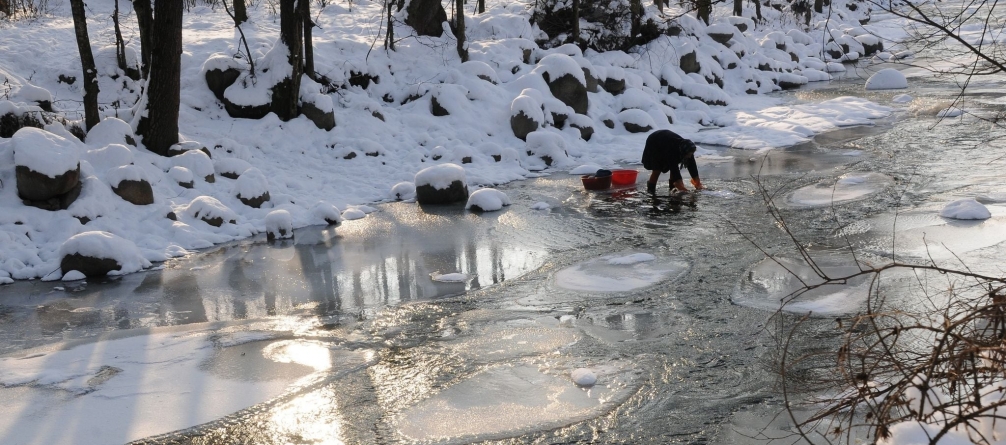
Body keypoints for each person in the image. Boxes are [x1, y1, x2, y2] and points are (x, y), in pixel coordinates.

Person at [641, 129, 704, 194]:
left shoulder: (687, 148)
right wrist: (680, 185)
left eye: (691, 154)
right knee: (657, 169)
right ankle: (651, 190)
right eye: (688, 155)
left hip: (667, 140)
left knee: (674, 166)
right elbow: (674, 167)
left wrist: (697, 182)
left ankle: (672, 188)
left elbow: (692, 165)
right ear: (683, 152)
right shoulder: (672, 151)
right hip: (655, 141)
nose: (690, 156)